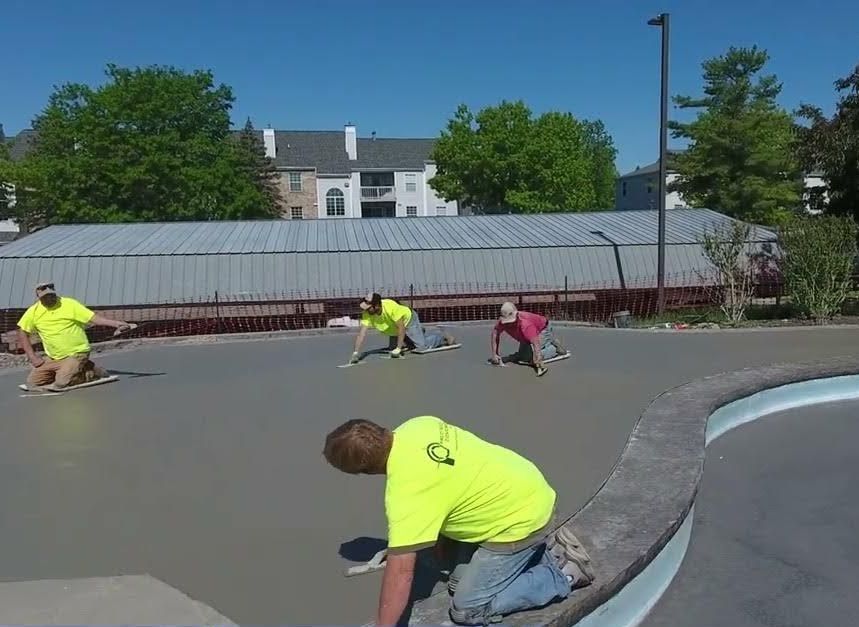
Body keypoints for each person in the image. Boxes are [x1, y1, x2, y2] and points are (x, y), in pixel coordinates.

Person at [323, 416, 594, 626]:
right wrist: (442, 535)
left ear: (365, 471)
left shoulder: (407, 493)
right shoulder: (419, 425)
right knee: (456, 581)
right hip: (525, 484)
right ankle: (538, 553)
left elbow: (400, 574)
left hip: (520, 522)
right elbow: (448, 474)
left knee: (467, 609)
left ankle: (562, 573)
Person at [17, 282, 135, 390]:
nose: (49, 298)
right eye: (45, 297)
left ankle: (92, 373)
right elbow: (22, 332)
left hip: (77, 353)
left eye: (51, 295)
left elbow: (94, 319)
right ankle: (83, 368)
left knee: (61, 382)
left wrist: (116, 324)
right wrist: (32, 357)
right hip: (54, 357)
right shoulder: (33, 311)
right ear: (39, 298)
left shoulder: (69, 304)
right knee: (32, 383)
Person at [350, 292, 455, 364]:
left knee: (421, 347)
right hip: (393, 328)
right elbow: (361, 333)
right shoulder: (368, 314)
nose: (367, 311)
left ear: (377, 305)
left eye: (369, 308)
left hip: (408, 321)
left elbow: (401, 328)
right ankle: (416, 335)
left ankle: (442, 337)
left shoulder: (390, 307)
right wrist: (356, 353)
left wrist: (398, 349)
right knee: (392, 349)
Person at [489, 302, 567, 376]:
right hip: (525, 335)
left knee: (531, 358)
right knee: (523, 356)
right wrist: (495, 354)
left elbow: (535, 342)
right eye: (507, 322)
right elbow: (495, 335)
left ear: (516, 316)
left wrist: (537, 358)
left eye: (510, 321)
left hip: (542, 329)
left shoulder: (525, 324)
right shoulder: (501, 322)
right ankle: (536, 350)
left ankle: (554, 347)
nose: (508, 324)